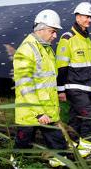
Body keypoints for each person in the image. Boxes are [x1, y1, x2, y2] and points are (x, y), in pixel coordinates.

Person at [12, 9, 67, 167]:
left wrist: (54, 104)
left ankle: (58, 164)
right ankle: (16, 164)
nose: (55, 36)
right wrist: (38, 112)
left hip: (48, 111)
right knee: (23, 146)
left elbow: (47, 82)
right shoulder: (26, 49)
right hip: (31, 112)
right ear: (41, 29)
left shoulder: (47, 49)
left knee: (59, 146)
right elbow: (25, 84)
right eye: (53, 31)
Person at [55, 2, 91, 158]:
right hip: (73, 87)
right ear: (77, 16)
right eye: (86, 16)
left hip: (86, 87)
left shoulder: (87, 39)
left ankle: (68, 147)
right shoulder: (67, 38)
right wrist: (60, 90)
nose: (89, 20)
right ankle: (84, 151)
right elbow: (61, 67)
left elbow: (90, 64)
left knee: (76, 119)